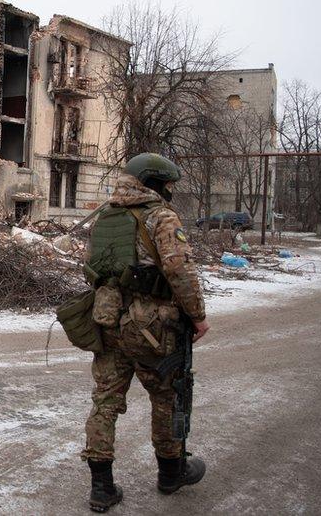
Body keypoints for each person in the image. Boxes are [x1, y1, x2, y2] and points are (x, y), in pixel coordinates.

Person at [80, 153, 210, 512]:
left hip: (107, 320)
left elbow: (91, 267)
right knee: (167, 396)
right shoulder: (161, 217)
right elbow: (180, 271)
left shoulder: (106, 215)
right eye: (167, 185)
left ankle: (101, 487)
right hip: (153, 325)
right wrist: (198, 316)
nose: (169, 192)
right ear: (152, 183)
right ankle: (172, 472)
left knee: (105, 400)